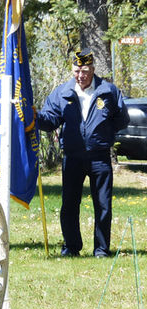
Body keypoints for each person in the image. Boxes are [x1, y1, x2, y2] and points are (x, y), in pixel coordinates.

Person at [37, 50, 129, 257]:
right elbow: (50, 121)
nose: (81, 75)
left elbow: (122, 119)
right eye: (77, 71)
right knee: (69, 204)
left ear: (93, 69)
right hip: (72, 157)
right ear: (72, 70)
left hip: (100, 157)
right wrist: (35, 116)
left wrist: (103, 133)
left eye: (85, 70)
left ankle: (101, 249)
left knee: (103, 205)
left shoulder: (108, 91)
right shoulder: (62, 93)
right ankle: (71, 247)